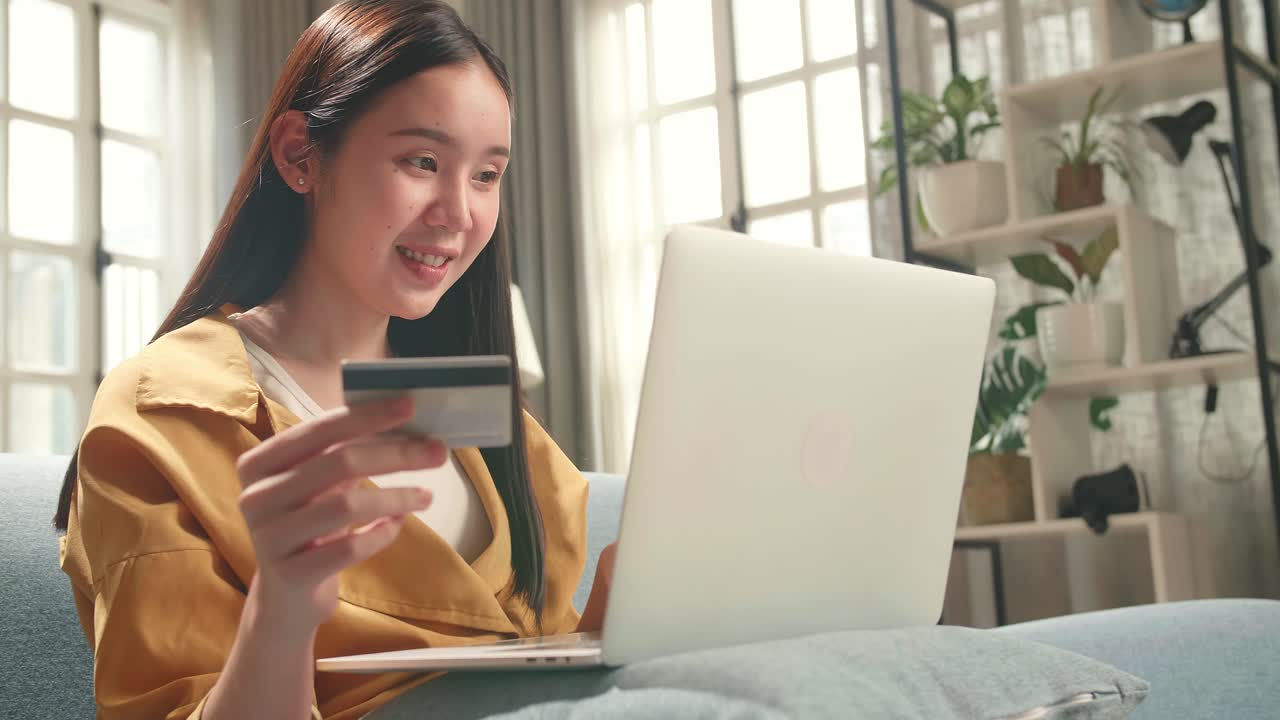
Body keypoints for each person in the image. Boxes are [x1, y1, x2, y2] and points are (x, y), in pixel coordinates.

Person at [52, 2, 615, 718]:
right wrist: (282, 609)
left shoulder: (495, 429)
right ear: (300, 156)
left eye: (485, 175)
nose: (459, 212)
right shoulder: (164, 411)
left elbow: (547, 668)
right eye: (422, 162)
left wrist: (618, 614)